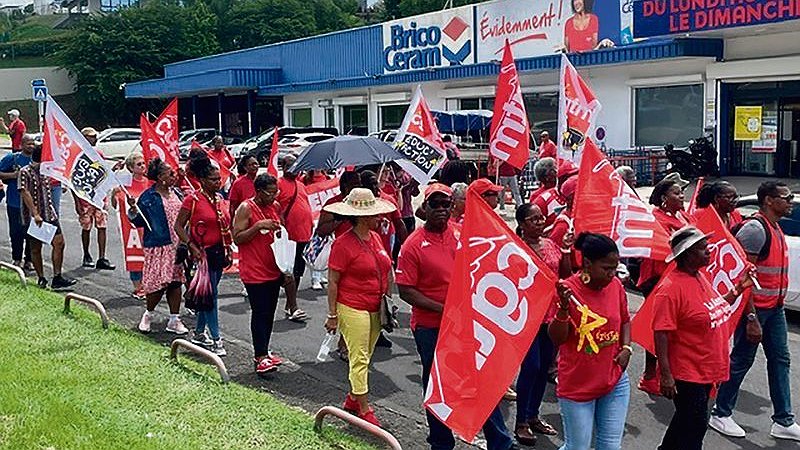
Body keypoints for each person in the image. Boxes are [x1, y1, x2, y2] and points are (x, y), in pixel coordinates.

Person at [397, 183, 518, 450]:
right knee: (437, 385)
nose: (441, 209)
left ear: (452, 207)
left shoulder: (461, 233)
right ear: (424, 208)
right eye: (435, 204)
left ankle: (500, 441)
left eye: (445, 204)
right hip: (430, 328)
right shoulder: (412, 245)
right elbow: (405, 291)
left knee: (478, 381)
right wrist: (445, 309)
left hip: (465, 324)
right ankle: (440, 441)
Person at [710, 181, 800, 441]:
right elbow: (742, 277)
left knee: (781, 361)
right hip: (756, 311)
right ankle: (721, 413)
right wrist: (750, 317)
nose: (790, 201)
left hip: (775, 309)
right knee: (740, 361)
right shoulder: (755, 230)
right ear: (769, 201)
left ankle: (783, 420)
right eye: (786, 197)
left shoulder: (776, 228)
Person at [653, 226, 754, 450]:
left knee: (685, 423)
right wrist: (666, 375)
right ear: (687, 254)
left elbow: (715, 308)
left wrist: (738, 289)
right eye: (702, 249)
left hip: (705, 369)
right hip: (686, 373)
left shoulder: (700, 277)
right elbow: (661, 334)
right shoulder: (670, 290)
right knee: (695, 427)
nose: (708, 252)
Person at [549, 233, 631, 450]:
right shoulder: (566, 290)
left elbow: (625, 320)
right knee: (577, 447)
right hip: (578, 386)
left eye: (615, 267)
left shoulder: (615, 286)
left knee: (611, 447)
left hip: (614, 381)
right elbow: (557, 338)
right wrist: (564, 308)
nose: (612, 273)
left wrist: (627, 348)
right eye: (606, 268)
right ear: (587, 263)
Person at [323, 188, 396, 427]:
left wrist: (387, 297)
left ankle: (354, 398)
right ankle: (364, 408)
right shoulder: (343, 244)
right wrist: (332, 314)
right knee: (360, 357)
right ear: (364, 217)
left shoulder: (374, 238)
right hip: (351, 305)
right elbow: (333, 281)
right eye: (375, 215)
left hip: (376, 304)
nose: (379, 218)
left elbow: (386, 268)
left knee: (368, 352)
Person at [513, 203, 573, 445]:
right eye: (533, 219)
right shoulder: (516, 249)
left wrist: (567, 250)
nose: (539, 222)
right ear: (522, 224)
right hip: (528, 315)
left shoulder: (550, 244)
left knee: (545, 365)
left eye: (541, 218)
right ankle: (521, 421)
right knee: (531, 367)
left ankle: (533, 415)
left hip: (552, 315)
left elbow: (566, 275)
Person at [637, 174, 693, 395]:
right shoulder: (657, 219)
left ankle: (663, 371)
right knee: (658, 329)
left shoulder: (682, 216)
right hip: (656, 281)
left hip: (677, 281)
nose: (682, 196)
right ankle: (649, 375)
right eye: (677, 193)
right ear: (663, 198)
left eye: (682, 193)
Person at [174, 153, 232, 356]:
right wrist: (190, 245)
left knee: (205, 296)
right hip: (201, 255)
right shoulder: (193, 199)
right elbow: (178, 226)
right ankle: (216, 338)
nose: (218, 183)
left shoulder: (219, 198)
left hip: (218, 252)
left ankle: (198, 332)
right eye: (214, 180)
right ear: (202, 180)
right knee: (210, 297)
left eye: (219, 179)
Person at [233, 173, 286, 375]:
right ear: (259, 191)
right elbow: (237, 238)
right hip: (254, 270)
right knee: (260, 311)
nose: (274, 196)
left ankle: (265, 350)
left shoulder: (275, 207)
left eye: (276, 192)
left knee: (270, 312)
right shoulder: (246, 208)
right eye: (270, 193)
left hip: (272, 267)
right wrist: (257, 226)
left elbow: (279, 230)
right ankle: (259, 356)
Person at [128, 158, 188, 335]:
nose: (174, 175)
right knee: (157, 284)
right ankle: (148, 314)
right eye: (170, 173)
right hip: (158, 245)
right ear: (161, 177)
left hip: (177, 245)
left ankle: (174, 319)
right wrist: (133, 210)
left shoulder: (177, 192)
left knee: (175, 283)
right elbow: (138, 221)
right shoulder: (149, 196)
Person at [316, 170, 361, 359]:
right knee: (344, 300)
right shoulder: (333, 204)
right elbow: (321, 230)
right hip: (341, 256)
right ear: (344, 187)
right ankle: (344, 343)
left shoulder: (362, 202)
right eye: (354, 184)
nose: (358, 187)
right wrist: (339, 218)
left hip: (361, 254)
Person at [18, 145, 77, 289]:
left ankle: (57, 276)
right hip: (34, 217)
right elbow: (24, 192)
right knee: (35, 248)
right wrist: (35, 213)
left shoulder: (47, 171)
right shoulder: (25, 171)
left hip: (50, 213)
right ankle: (41, 277)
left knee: (59, 243)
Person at [74, 127, 115, 271]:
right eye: (92, 136)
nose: (95, 138)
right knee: (86, 227)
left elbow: (104, 173)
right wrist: (76, 201)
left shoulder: (99, 154)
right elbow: (73, 180)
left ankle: (102, 257)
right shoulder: (78, 155)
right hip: (84, 196)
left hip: (99, 196)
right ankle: (86, 254)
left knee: (102, 226)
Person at [114, 152, 152, 299]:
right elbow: (116, 206)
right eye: (139, 164)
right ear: (130, 168)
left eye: (143, 163)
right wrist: (114, 194)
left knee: (150, 255)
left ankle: (149, 284)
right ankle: (138, 287)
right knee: (135, 255)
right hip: (132, 228)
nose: (142, 166)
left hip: (149, 226)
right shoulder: (123, 185)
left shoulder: (150, 183)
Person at [277, 155, 314, 291]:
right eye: (290, 165)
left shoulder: (301, 185)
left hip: (304, 233)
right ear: (283, 167)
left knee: (299, 268)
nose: (293, 169)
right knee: (288, 269)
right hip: (289, 235)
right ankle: (290, 300)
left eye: (296, 165)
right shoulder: (278, 183)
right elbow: (275, 207)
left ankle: (292, 298)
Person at [0, 133, 34, 270]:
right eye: (28, 143)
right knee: (16, 232)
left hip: (32, 203)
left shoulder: (37, 159)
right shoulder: (12, 158)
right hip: (15, 202)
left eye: (33, 143)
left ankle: (29, 260)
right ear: (21, 145)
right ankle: (17, 259)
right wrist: (14, 175)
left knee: (31, 233)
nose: (31, 146)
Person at [360, 169, 408, 257]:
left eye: (375, 183)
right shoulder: (357, 203)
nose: (374, 187)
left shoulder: (388, 200)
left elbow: (399, 224)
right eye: (370, 184)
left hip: (385, 248)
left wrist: (406, 247)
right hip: (363, 250)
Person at [528, 158, 564, 228]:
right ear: (547, 177)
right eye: (554, 170)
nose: (558, 172)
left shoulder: (563, 190)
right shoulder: (537, 197)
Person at [228, 155, 259, 219]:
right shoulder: (238, 183)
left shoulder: (262, 180)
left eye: (256, 164)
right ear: (245, 167)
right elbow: (233, 205)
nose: (254, 166)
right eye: (251, 165)